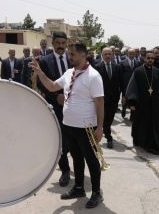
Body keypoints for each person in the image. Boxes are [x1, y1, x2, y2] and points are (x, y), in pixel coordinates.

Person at [30, 42, 105, 209]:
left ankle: (97, 193)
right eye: (69, 54)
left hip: (86, 127)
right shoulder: (69, 72)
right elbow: (51, 86)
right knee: (77, 158)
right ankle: (78, 188)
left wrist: (100, 128)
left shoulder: (93, 76)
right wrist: (40, 72)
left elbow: (100, 102)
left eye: (72, 54)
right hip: (69, 125)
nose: (69, 57)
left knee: (91, 160)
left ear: (83, 55)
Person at [38, 32, 71, 187]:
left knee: (72, 139)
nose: (61, 46)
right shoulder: (44, 61)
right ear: (53, 43)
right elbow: (40, 84)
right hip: (55, 107)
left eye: (63, 43)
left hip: (73, 107)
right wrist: (56, 96)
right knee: (59, 140)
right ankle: (64, 170)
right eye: (58, 42)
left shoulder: (73, 59)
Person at [126, 52, 159, 154]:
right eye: (148, 58)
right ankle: (143, 143)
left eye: (152, 58)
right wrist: (132, 103)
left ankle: (155, 143)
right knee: (143, 124)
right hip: (141, 104)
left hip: (155, 104)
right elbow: (132, 87)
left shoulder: (157, 71)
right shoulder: (138, 71)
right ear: (144, 59)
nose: (150, 60)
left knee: (154, 124)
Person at [95, 47, 122, 148]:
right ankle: (109, 136)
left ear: (113, 55)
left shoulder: (117, 67)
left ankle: (106, 131)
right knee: (103, 117)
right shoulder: (97, 67)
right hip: (101, 98)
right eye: (105, 54)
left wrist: (123, 95)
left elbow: (121, 82)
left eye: (109, 54)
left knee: (110, 118)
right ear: (102, 55)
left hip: (114, 99)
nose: (107, 56)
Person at [120, 48, 140, 119]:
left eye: (133, 54)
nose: (131, 55)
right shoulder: (122, 63)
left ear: (135, 54)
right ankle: (124, 108)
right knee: (125, 98)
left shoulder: (138, 63)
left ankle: (132, 114)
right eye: (130, 54)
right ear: (127, 54)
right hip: (125, 84)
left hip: (134, 85)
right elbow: (120, 74)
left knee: (133, 99)